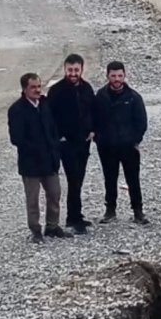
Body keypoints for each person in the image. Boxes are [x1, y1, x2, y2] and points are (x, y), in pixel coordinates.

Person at [8, 73, 71, 243]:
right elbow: (16, 138)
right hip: (31, 163)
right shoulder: (16, 110)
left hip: (50, 160)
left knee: (55, 194)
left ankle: (52, 226)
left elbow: (53, 127)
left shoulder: (45, 105)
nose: (37, 90)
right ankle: (35, 230)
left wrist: (55, 147)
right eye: (33, 87)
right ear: (24, 89)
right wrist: (36, 149)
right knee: (33, 199)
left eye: (38, 86)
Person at [92, 61, 149, 225]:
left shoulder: (134, 98)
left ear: (124, 76)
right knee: (109, 179)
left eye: (120, 76)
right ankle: (110, 210)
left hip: (128, 147)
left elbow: (141, 122)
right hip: (107, 147)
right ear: (107, 76)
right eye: (113, 76)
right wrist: (99, 140)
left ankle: (138, 211)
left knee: (133, 180)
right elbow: (94, 120)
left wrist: (135, 140)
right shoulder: (100, 97)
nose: (117, 79)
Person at [47, 53, 96, 234]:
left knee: (79, 179)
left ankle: (76, 215)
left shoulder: (87, 88)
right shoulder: (56, 91)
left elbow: (93, 110)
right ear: (65, 69)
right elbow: (49, 117)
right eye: (70, 70)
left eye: (76, 70)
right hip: (66, 144)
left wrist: (93, 130)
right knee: (73, 179)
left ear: (82, 69)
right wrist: (59, 137)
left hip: (84, 142)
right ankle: (73, 218)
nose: (73, 73)